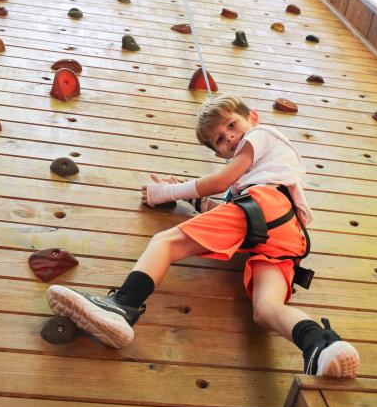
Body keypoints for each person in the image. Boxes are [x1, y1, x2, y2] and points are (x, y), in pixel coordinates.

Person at [46, 95, 359, 378]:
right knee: (266, 310)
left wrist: (165, 192)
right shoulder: (263, 171)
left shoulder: (261, 135)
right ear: (218, 151)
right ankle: (320, 346)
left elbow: (221, 182)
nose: (229, 137)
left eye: (231, 125)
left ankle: (121, 305)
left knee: (165, 242)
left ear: (253, 117)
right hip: (285, 235)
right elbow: (233, 211)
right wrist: (189, 198)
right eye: (219, 139)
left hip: (266, 207)